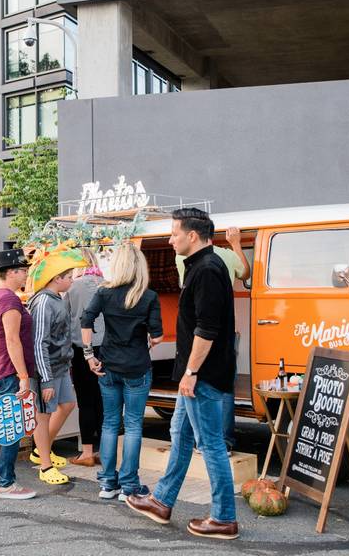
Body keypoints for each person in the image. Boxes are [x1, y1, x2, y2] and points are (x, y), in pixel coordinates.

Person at [125, 208, 239, 540]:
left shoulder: (206, 269)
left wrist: (191, 371)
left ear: (192, 235)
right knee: (181, 434)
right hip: (197, 373)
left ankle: (224, 518)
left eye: (174, 233)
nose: (170, 239)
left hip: (201, 374)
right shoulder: (201, 267)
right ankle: (161, 501)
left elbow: (207, 329)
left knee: (211, 444)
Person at [81, 242, 164, 501]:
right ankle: (129, 485)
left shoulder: (104, 292)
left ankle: (107, 483)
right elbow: (158, 336)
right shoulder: (148, 296)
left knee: (109, 423)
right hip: (137, 366)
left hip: (108, 365)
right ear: (140, 267)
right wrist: (149, 340)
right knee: (133, 425)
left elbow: (86, 319)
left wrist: (88, 355)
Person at [176, 226, 251, 451]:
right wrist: (236, 244)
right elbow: (245, 273)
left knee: (197, 388)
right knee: (225, 383)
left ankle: (205, 442)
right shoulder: (227, 256)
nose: (172, 241)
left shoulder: (184, 260)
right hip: (226, 330)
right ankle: (224, 439)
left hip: (199, 333)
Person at [26, 244, 86, 485]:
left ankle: (42, 450)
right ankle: (44, 465)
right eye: (68, 277)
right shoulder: (43, 303)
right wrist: (46, 378)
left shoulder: (54, 298)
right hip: (47, 369)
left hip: (58, 366)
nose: (72, 281)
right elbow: (39, 342)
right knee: (43, 415)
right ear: (56, 279)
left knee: (68, 404)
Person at [0, 249, 37, 499]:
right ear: (12, 272)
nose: (26, 275)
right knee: (11, 425)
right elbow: (12, 340)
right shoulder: (8, 300)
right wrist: (23, 375)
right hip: (8, 369)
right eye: (23, 271)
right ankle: (6, 483)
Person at [63, 248, 105, 467]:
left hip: (82, 349)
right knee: (103, 400)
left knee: (86, 401)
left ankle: (87, 452)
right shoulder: (107, 283)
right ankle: (104, 451)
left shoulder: (73, 287)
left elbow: (65, 318)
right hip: (106, 348)